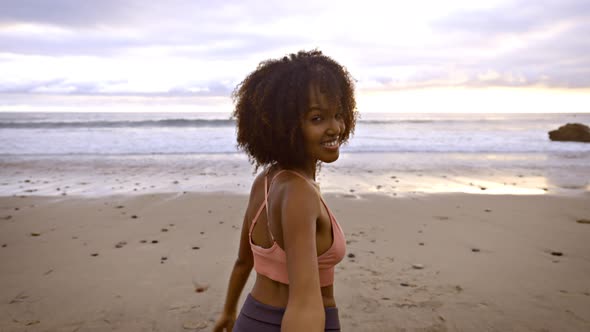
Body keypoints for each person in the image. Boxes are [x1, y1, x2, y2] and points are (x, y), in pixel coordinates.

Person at [213, 49, 357, 332]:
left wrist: (228, 313)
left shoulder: (265, 182)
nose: (335, 128)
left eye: (338, 114)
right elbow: (304, 302)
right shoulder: (300, 194)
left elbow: (244, 261)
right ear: (286, 125)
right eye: (317, 118)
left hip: (251, 318)